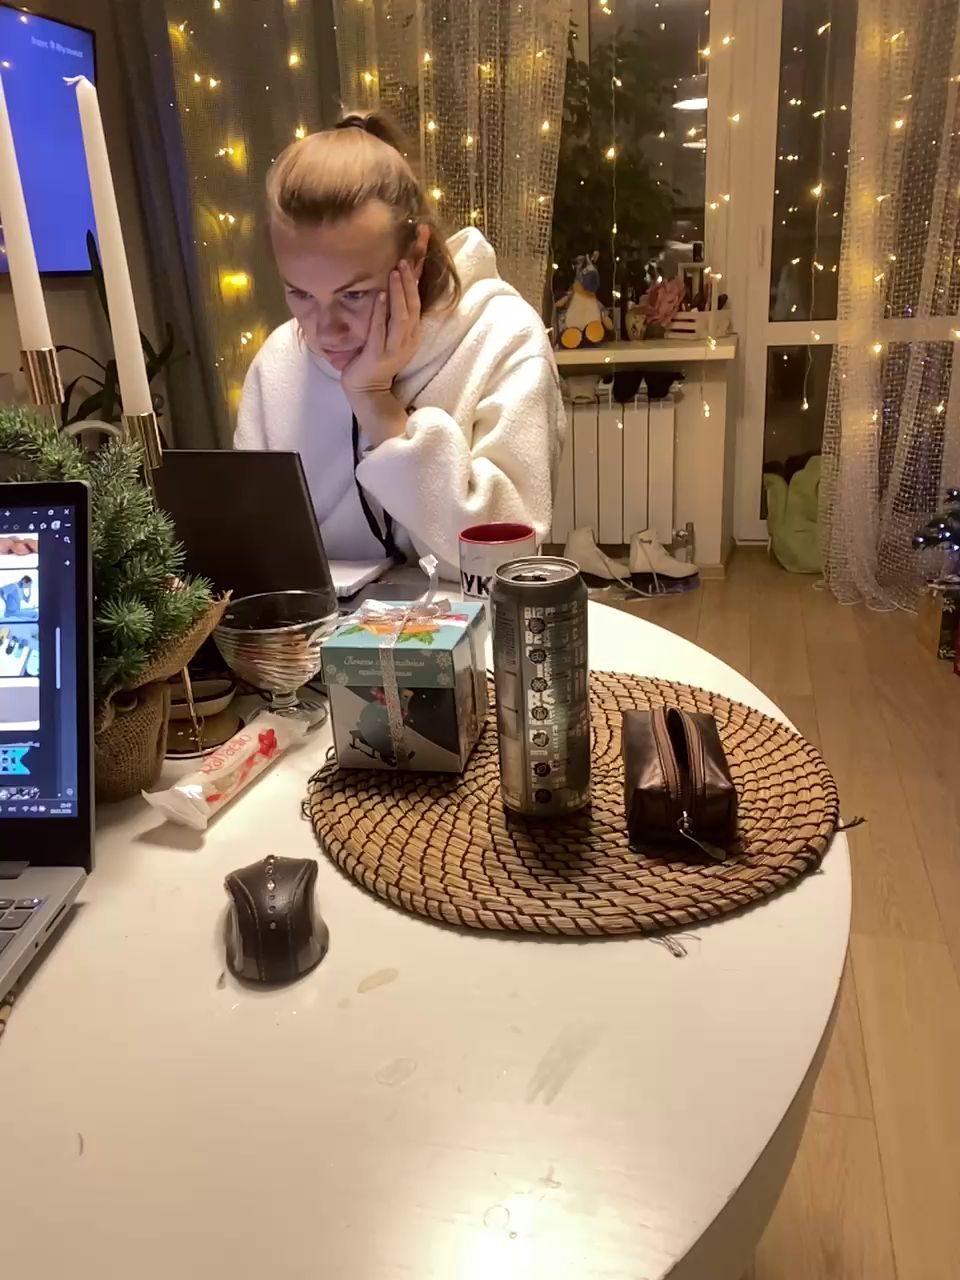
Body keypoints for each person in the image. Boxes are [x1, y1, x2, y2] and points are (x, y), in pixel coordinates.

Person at [236, 111, 564, 575]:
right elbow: (260, 562)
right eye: (301, 294)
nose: (325, 330)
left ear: (416, 253)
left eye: (354, 295)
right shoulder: (277, 363)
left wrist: (377, 405)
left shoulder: (504, 338)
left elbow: (506, 566)